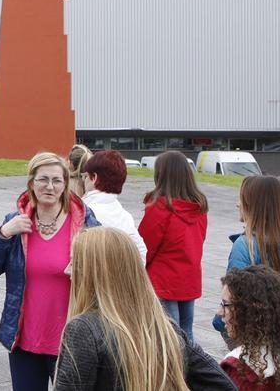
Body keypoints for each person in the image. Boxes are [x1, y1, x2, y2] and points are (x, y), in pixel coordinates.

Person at [54, 227, 236, 391]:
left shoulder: (84, 329)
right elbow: (224, 385)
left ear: (97, 273)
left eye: (75, 263)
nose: (67, 270)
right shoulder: (163, 328)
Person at [0, 152, 100, 391]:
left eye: (57, 180)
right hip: (24, 341)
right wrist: (3, 233)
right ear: (31, 182)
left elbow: (108, 270)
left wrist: (87, 269)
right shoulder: (16, 221)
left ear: (65, 184)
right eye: (43, 179)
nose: (50, 186)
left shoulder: (84, 223)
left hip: (72, 341)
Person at [214, 176, 280, 337]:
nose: (237, 204)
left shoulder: (244, 245)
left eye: (241, 199)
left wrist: (219, 321)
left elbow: (234, 298)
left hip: (255, 337)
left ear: (253, 205)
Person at [139, 150, 210, 341]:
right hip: (189, 278)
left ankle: (174, 370)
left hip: (163, 279)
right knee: (187, 332)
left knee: (169, 336)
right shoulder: (199, 207)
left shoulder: (159, 208)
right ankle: (190, 369)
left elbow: (146, 246)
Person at [79, 150, 147, 261]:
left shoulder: (84, 212)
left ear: (94, 178)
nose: (83, 180)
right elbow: (141, 252)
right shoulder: (125, 216)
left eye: (85, 176)